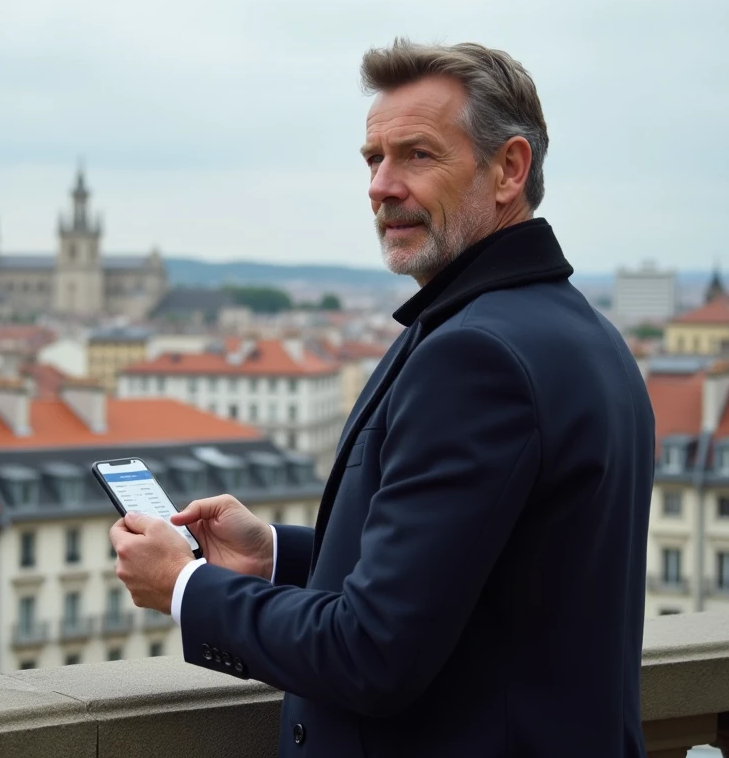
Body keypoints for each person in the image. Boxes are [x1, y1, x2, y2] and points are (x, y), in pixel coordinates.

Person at [110, 39, 655, 757]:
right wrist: (273, 556)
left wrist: (185, 587)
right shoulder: (580, 332)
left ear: (509, 168)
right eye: (373, 160)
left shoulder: (473, 354)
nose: (381, 185)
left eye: (417, 155)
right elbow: (476, 573)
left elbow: (372, 652)